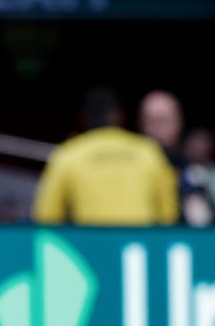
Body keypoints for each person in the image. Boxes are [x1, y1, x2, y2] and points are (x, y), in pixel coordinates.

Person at [33, 88, 178, 226]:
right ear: (119, 116)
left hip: (89, 243)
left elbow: (46, 217)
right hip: (139, 242)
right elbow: (168, 216)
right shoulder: (148, 151)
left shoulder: (68, 154)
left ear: (83, 118)